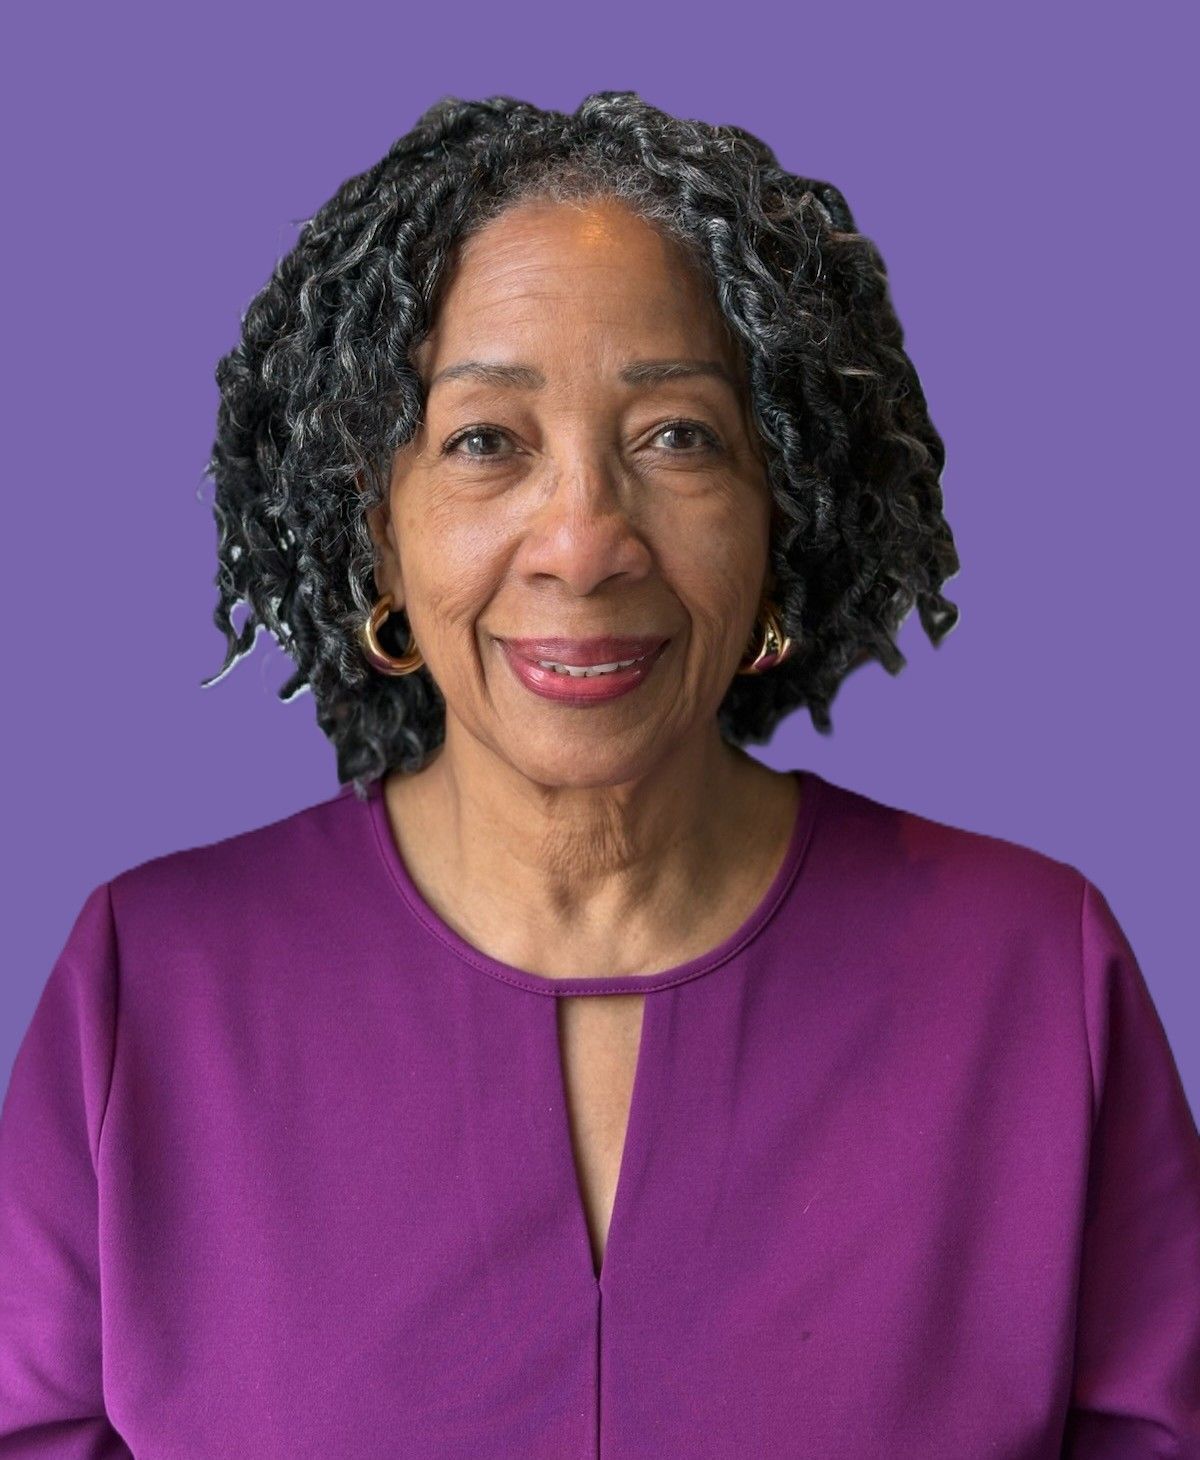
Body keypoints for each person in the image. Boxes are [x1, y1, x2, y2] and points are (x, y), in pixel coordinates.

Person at [0, 90, 1196, 1459]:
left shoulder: (1037, 977)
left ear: (782, 508)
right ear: (371, 530)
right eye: (486, 442)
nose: (584, 542)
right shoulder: (147, 987)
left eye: (676, 437)